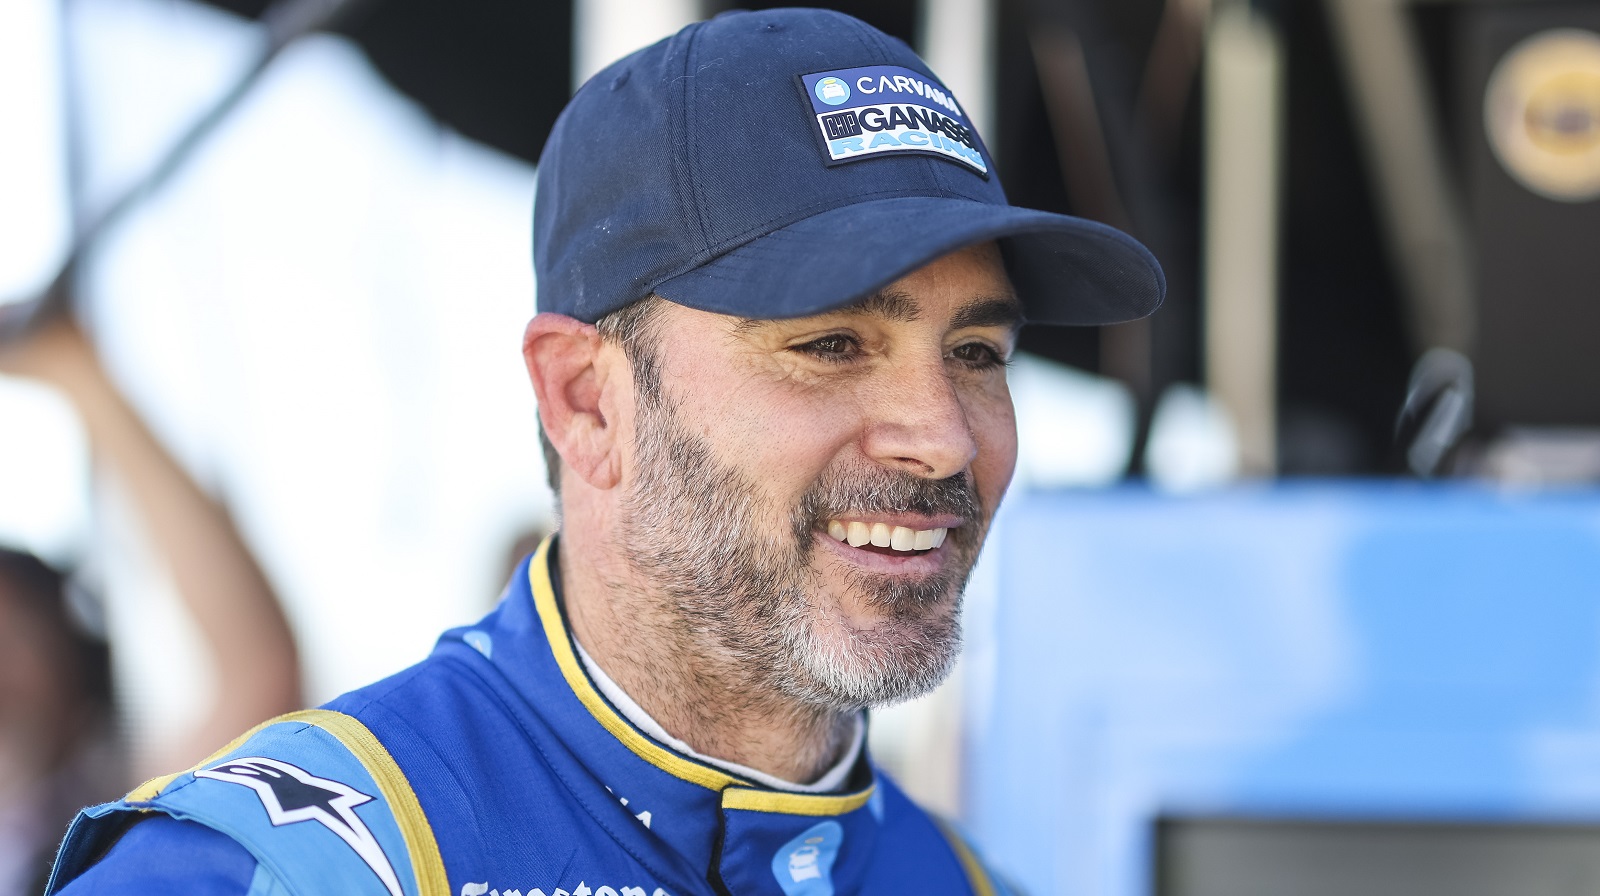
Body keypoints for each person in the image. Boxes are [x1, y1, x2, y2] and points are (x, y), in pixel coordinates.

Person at [46, 8, 1163, 895]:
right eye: (830, 344)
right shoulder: (280, 869)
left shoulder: (965, 884)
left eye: (976, 352)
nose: (942, 434)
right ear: (584, 399)